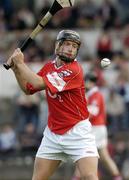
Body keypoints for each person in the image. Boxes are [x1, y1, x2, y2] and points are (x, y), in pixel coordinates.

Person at [7, 30, 99, 180]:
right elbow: (28, 88)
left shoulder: (74, 70)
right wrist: (15, 69)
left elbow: (38, 82)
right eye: (67, 44)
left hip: (77, 130)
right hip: (53, 134)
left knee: (90, 176)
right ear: (58, 46)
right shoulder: (49, 67)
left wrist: (20, 63)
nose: (71, 49)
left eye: (74, 47)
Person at [72, 73, 122, 180]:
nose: (84, 84)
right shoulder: (91, 94)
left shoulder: (96, 95)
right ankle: (117, 177)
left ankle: (76, 178)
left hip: (96, 129)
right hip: (98, 129)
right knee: (104, 156)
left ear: (91, 82)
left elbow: (93, 113)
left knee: (84, 154)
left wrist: (76, 118)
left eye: (86, 82)